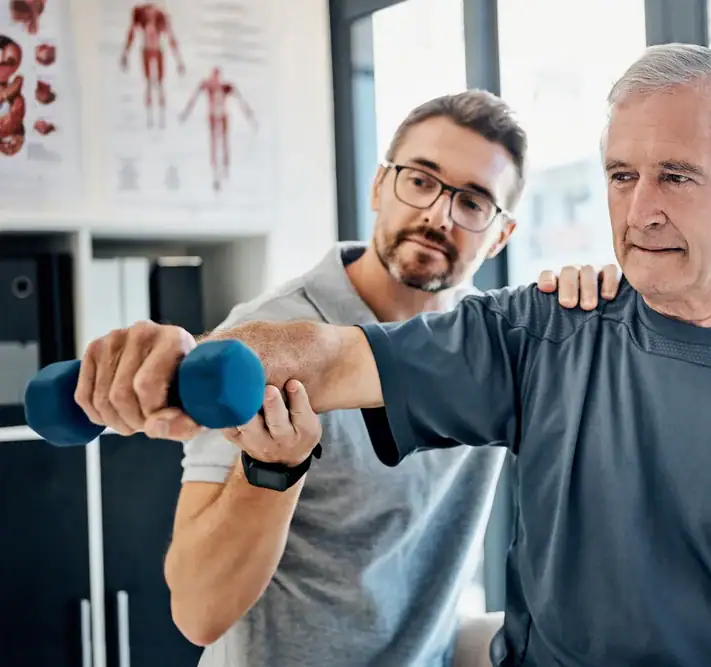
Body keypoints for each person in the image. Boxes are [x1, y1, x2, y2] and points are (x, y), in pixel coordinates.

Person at [70, 44, 711, 667]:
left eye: (675, 175)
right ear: (383, 180)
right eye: (622, 177)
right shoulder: (535, 330)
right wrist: (187, 356)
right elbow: (320, 354)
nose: (638, 211)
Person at [74, 89, 617, 667]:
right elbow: (198, 612)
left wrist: (598, 305)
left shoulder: (494, 348)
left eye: (474, 202)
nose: (437, 214)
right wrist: (273, 471)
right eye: (420, 180)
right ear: (379, 186)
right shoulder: (268, 335)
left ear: (500, 236)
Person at [179, 66, 256, 192]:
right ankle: (217, 169)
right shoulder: (208, 85)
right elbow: (194, 99)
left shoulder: (225, 87)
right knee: (215, 142)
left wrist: (250, 116)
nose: (215, 79)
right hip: (214, 115)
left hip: (221, 115)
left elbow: (241, 101)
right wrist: (186, 113)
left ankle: (224, 168)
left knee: (222, 142)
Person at [121, 3, 184, 129]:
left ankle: (160, 118)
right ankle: (151, 118)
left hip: (156, 49)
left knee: (158, 84)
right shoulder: (141, 15)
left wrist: (178, 60)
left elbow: (171, 38)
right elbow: (131, 34)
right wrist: (125, 53)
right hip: (148, 49)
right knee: (150, 84)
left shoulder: (161, 17)